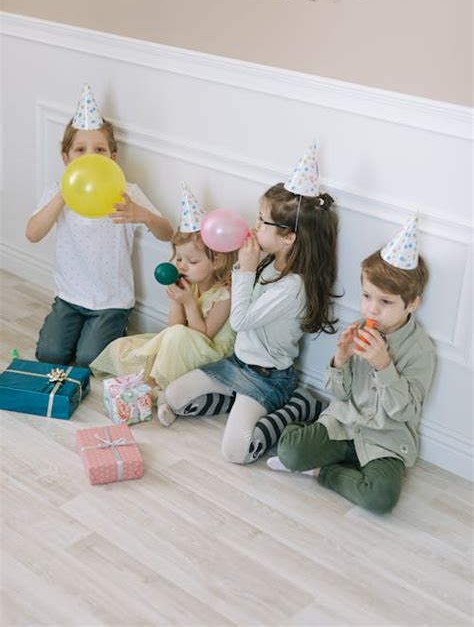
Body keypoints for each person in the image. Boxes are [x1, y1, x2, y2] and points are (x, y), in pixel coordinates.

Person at [160, 146, 339, 465]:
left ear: (289, 238)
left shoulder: (294, 288)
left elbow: (240, 320)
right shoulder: (270, 264)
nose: (255, 227)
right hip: (238, 363)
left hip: (268, 377)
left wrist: (244, 269)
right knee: (172, 398)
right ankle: (234, 402)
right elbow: (241, 296)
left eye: (263, 222)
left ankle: (299, 405)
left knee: (235, 453)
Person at [270, 216, 436, 515]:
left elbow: (406, 411)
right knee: (290, 452)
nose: (372, 308)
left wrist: (384, 366)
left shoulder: (420, 350)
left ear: (412, 304)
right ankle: (306, 427)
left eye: (385, 302)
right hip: (344, 423)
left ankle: (324, 472)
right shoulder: (361, 328)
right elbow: (340, 394)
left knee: (380, 499)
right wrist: (340, 360)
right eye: (367, 296)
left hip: (385, 438)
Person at [25, 83, 173, 367]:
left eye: (100, 149)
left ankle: (115, 332)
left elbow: (168, 233)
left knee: (89, 361)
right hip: (69, 296)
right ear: (65, 157)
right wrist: (62, 197)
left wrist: (143, 215)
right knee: (50, 355)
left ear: (112, 158)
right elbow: (32, 233)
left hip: (111, 301)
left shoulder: (126, 192)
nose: (90, 157)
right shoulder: (57, 191)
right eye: (80, 149)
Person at [91, 183, 236, 412]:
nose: (183, 266)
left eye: (193, 261)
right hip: (184, 344)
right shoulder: (191, 284)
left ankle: (157, 390)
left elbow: (203, 337)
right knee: (127, 346)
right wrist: (176, 298)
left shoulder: (224, 293)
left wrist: (188, 302)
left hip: (212, 355)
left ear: (216, 261)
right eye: (178, 259)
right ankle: (153, 384)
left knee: (176, 338)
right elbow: (173, 327)